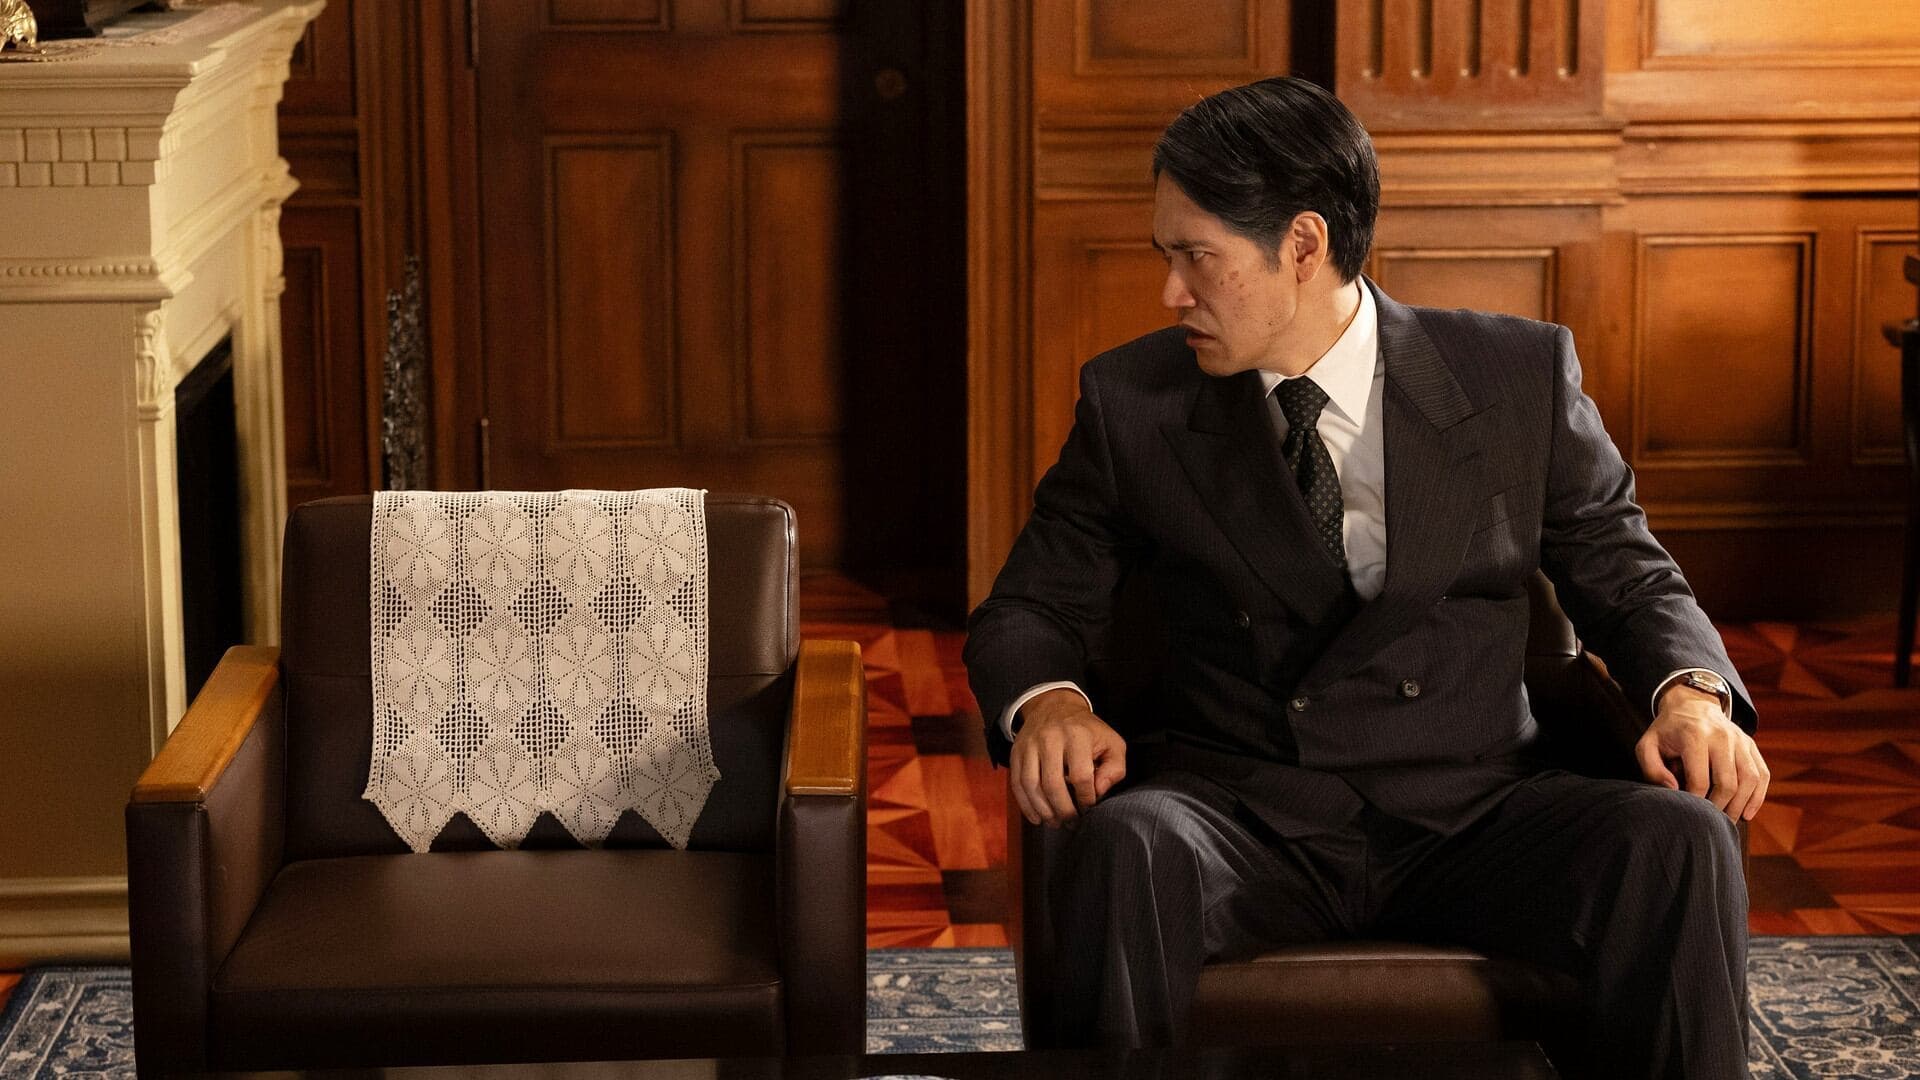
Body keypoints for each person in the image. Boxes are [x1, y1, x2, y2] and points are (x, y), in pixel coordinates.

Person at [963, 76, 1767, 1080]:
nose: (1171, 292)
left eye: (1197, 257)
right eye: (1166, 256)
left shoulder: (1516, 377)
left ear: (1303, 245)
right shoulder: (1134, 402)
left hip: (1478, 809)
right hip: (1242, 817)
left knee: (1678, 841)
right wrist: (1051, 704)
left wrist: (1691, 695)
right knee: (1126, 845)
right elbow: (1031, 604)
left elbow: (1630, 574)